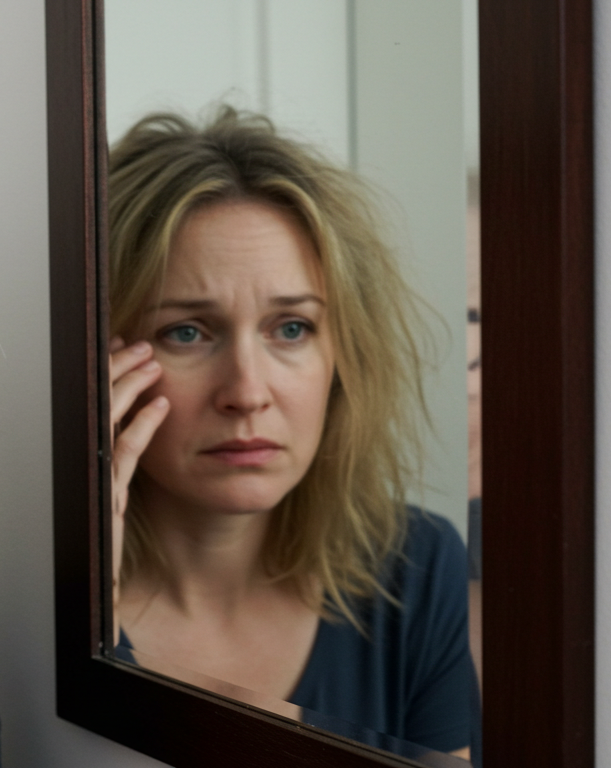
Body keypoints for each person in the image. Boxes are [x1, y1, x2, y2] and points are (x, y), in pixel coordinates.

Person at [107, 107, 475, 759]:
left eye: (292, 328)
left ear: (342, 357)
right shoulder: (50, 608)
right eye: (186, 332)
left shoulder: (415, 566)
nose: (248, 392)